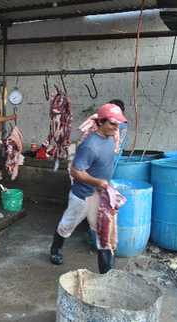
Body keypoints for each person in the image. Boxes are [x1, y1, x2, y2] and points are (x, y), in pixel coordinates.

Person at [49, 103, 127, 274]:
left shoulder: (110, 138)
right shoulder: (90, 145)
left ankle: (108, 276)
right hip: (83, 196)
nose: (116, 127)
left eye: (118, 124)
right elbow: (76, 172)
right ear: (100, 123)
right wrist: (98, 182)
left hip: (102, 195)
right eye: (112, 124)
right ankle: (55, 250)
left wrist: (105, 185)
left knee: (104, 236)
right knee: (67, 226)